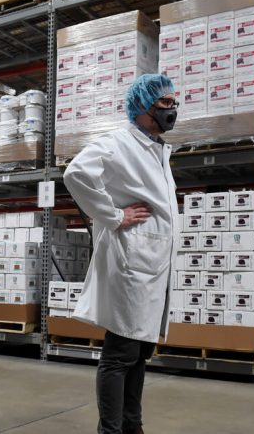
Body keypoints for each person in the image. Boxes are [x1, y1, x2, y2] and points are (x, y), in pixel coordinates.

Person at [63, 74, 180, 434]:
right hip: (133, 263)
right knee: (120, 356)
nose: (172, 109)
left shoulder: (157, 148)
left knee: (140, 354)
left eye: (174, 102)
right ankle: (110, 431)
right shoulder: (117, 143)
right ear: (142, 106)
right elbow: (76, 173)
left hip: (153, 265)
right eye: (164, 103)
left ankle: (132, 426)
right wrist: (114, 216)